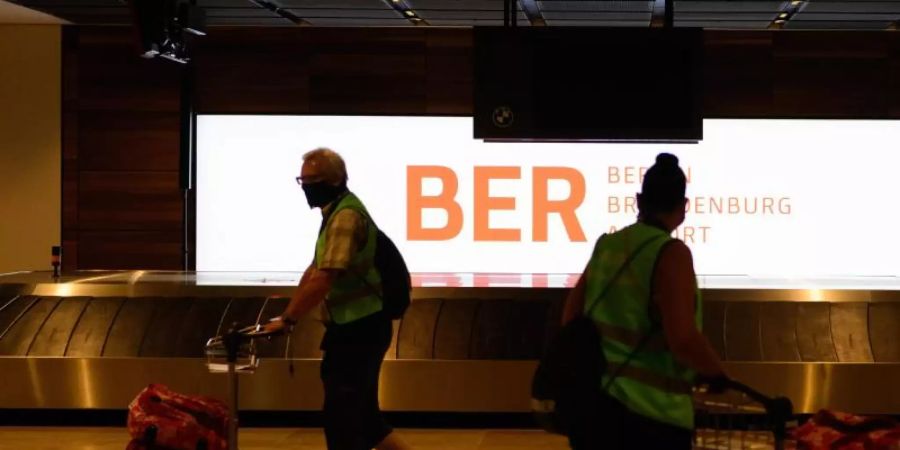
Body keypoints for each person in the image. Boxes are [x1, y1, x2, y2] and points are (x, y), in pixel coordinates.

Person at [560, 153, 727, 450]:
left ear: (639, 200)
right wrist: (718, 373)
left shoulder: (607, 246)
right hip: (652, 420)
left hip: (595, 412)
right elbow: (684, 339)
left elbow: (571, 318)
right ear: (683, 209)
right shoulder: (672, 254)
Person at [263, 148, 411, 450]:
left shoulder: (345, 217)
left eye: (311, 180)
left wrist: (289, 318)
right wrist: (286, 314)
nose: (305, 187)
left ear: (333, 180)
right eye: (301, 181)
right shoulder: (335, 213)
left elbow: (325, 276)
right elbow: (316, 266)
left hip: (360, 329)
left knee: (342, 419)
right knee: (367, 421)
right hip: (354, 328)